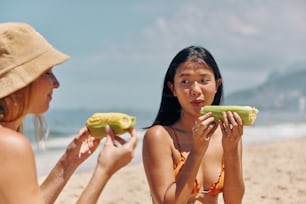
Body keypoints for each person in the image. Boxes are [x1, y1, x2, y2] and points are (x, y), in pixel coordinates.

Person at [0, 22, 138, 204]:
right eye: (47, 72)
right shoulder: (11, 146)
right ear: (23, 80)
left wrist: (69, 160)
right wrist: (104, 171)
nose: (56, 83)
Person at [142, 45, 244, 204]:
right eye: (185, 81)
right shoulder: (159, 137)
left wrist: (231, 151)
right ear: (172, 88)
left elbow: (234, 201)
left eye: (204, 80)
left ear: (216, 85)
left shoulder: (228, 133)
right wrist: (196, 152)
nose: (195, 90)